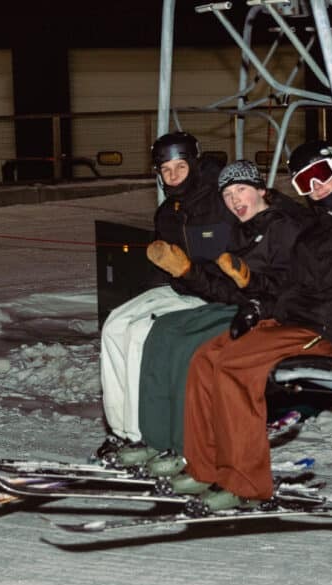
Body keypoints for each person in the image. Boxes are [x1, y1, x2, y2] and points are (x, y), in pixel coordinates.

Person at [175, 140, 332, 510]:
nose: (316, 187)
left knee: (234, 366)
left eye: (320, 175)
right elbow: (291, 289)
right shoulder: (311, 232)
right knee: (205, 358)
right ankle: (204, 467)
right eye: (303, 183)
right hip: (297, 322)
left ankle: (244, 482)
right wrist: (259, 306)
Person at [129, 160, 309, 473]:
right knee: (163, 333)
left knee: (192, 350)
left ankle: (188, 447)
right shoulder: (237, 232)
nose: (236, 200)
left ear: (261, 190)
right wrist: (187, 272)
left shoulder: (284, 229)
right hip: (237, 305)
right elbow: (223, 290)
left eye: (242, 190)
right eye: (227, 195)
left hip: (268, 314)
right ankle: (155, 440)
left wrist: (251, 282)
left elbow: (290, 287)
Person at [97, 131, 234, 462]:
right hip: (183, 288)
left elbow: (226, 266)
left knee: (142, 334)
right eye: (165, 170)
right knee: (115, 325)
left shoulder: (219, 200)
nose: (172, 177)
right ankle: (122, 430)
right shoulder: (169, 210)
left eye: (180, 168)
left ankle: (143, 432)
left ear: (194, 165)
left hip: (213, 293)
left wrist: (187, 268)